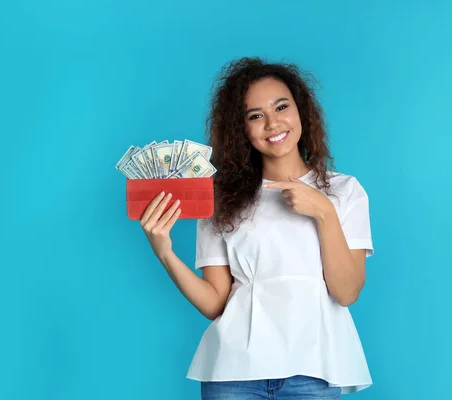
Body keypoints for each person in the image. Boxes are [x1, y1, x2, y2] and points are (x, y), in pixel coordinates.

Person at [139, 57, 374, 399]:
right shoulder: (222, 199)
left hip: (314, 370)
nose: (272, 123)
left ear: (301, 111)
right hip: (233, 373)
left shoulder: (345, 191)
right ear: (242, 129)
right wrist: (164, 252)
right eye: (255, 116)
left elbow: (347, 291)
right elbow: (214, 303)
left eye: (281, 107)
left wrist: (323, 211)